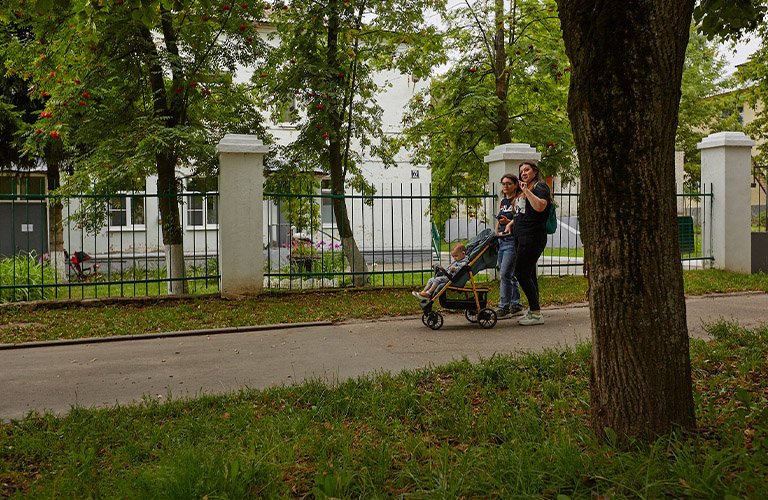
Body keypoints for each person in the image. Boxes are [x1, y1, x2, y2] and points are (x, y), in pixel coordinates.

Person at [513, 161, 551, 325]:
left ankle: (536, 313)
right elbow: (522, 214)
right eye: (521, 171)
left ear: (535, 171)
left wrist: (527, 190)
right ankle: (534, 310)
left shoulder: (540, 187)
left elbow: (540, 207)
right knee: (529, 274)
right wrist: (509, 224)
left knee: (520, 272)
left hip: (533, 236)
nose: (523, 173)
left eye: (527, 170)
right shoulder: (525, 190)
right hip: (522, 236)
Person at [494, 173, 524, 319]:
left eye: (509, 184)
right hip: (501, 241)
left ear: (515, 185)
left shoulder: (518, 200)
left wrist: (509, 223)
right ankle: (516, 305)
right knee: (509, 275)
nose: (505, 186)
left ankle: (504, 307)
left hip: (511, 241)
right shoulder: (503, 201)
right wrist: (496, 232)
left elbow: (520, 218)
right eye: (503, 183)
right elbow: (499, 221)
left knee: (505, 274)